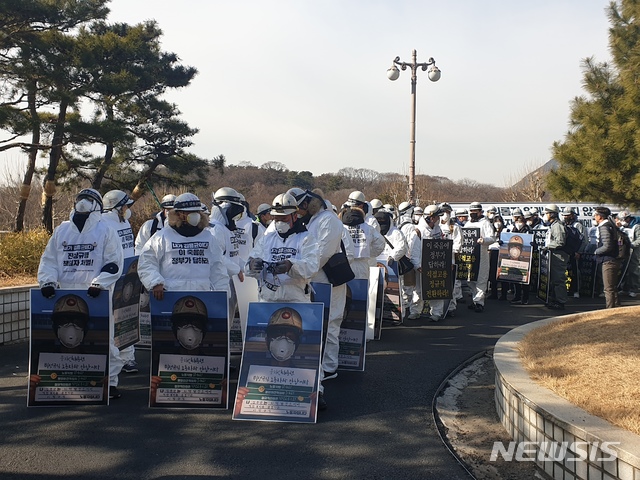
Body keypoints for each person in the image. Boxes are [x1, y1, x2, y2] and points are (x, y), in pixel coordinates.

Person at [37, 188, 124, 399]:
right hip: (65, 294)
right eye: (80, 198)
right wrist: (47, 281)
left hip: (96, 294)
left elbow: (114, 262)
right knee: (68, 340)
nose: (83, 202)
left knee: (103, 338)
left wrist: (99, 284)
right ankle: (71, 379)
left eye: (89, 199)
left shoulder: (106, 230)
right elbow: (48, 259)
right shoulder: (62, 230)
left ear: (98, 206)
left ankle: (108, 382)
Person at [286, 188, 348, 410]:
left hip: (326, 278)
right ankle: (322, 363)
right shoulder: (315, 220)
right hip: (314, 278)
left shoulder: (328, 221)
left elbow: (321, 254)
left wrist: (301, 270)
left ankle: (330, 366)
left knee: (330, 321)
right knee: (320, 324)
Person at [137, 192, 231, 297]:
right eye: (188, 212)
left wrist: (222, 294)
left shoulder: (208, 237)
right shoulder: (162, 237)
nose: (194, 215)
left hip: (203, 296)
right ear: (178, 214)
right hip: (170, 295)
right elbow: (146, 261)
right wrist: (155, 282)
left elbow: (218, 268)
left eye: (196, 211)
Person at [245, 193, 319, 302]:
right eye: (276, 219)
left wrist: (291, 265)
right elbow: (248, 267)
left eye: (283, 218)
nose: (279, 222)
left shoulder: (306, 238)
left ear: (294, 216)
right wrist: (252, 265)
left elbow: (312, 267)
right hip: (268, 300)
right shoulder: (266, 239)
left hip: (296, 301)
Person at [102, 189, 139, 374]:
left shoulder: (124, 221)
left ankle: (127, 358)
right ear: (116, 207)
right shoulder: (104, 224)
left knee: (127, 317)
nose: (127, 208)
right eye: (125, 205)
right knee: (113, 320)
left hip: (128, 276)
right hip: (113, 278)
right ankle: (117, 360)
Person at [463, 202, 495, 313]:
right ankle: (474, 299)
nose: (472, 214)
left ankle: (479, 302)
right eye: (471, 212)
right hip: (469, 255)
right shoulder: (467, 224)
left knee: (481, 279)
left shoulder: (485, 223)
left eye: (474, 212)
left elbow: (492, 238)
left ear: (480, 212)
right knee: (470, 279)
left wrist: (484, 240)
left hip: (481, 255)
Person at [396, 202, 423, 319]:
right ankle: (412, 309)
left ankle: (406, 308)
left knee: (403, 286)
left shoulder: (397, 226)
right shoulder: (412, 227)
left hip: (400, 260)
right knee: (412, 286)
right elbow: (413, 245)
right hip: (408, 260)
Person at [542, 204, 569, 310]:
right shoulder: (553, 225)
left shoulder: (557, 226)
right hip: (554, 255)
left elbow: (560, 242)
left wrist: (547, 247)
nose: (545, 216)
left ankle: (560, 301)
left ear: (552, 214)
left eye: (546, 213)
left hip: (558, 256)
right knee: (554, 279)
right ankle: (554, 300)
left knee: (559, 279)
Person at [593, 206, 620, 309]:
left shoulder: (604, 227)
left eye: (595, 215)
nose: (594, 217)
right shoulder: (610, 225)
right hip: (612, 259)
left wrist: (596, 251)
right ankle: (617, 307)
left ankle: (609, 310)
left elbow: (607, 246)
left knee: (608, 288)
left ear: (600, 216)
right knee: (613, 287)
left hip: (608, 260)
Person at [439, 202, 463, 316]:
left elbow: (458, 243)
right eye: (443, 212)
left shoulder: (455, 227)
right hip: (437, 259)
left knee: (451, 284)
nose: (445, 214)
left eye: (447, 212)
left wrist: (449, 252)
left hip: (450, 259)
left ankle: (451, 307)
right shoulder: (435, 226)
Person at [561, 207, 588, 298]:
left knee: (576, 272)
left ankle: (576, 290)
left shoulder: (578, 225)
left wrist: (579, 252)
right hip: (567, 252)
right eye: (564, 215)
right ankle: (568, 289)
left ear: (572, 215)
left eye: (567, 215)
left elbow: (584, 240)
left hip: (575, 252)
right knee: (567, 272)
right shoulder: (564, 225)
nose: (565, 217)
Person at [508, 208, 531, 305]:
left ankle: (525, 298)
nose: (519, 223)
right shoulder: (512, 229)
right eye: (517, 221)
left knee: (525, 279)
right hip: (514, 257)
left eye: (520, 221)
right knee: (515, 278)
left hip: (525, 257)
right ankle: (517, 296)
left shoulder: (528, 230)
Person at [617, 210, 640, 297]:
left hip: (634, 251)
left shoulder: (636, 227)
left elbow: (639, 239)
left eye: (624, 219)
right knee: (624, 269)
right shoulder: (623, 227)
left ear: (628, 218)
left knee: (633, 269)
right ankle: (625, 288)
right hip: (625, 250)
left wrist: (631, 245)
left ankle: (635, 288)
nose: (623, 221)